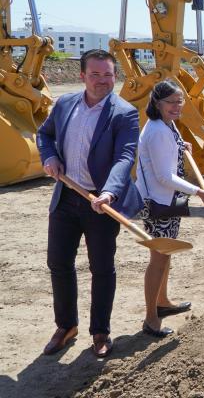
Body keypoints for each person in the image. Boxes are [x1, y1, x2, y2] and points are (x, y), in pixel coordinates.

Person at [37, 49, 143, 358]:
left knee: (102, 268)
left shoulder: (124, 112)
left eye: (108, 75)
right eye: (95, 75)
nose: (102, 81)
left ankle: (100, 331)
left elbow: (125, 157)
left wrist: (109, 192)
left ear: (115, 76)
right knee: (58, 263)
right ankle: (66, 325)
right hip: (67, 198)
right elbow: (44, 135)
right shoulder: (66, 104)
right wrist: (50, 157)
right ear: (82, 76)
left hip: (101, 203)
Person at [135, 81, 204, 337]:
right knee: (159, 258)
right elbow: (164, 176)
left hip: (167, 202)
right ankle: (151, 319)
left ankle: (163, 302)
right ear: (157, 102)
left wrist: (182, 147)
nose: (177, 106)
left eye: (179, 101)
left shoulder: (167, 126)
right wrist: (197, 190)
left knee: (165, 255)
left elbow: (168, 153)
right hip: (158, 203)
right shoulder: (158, 129)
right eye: (171, 101)